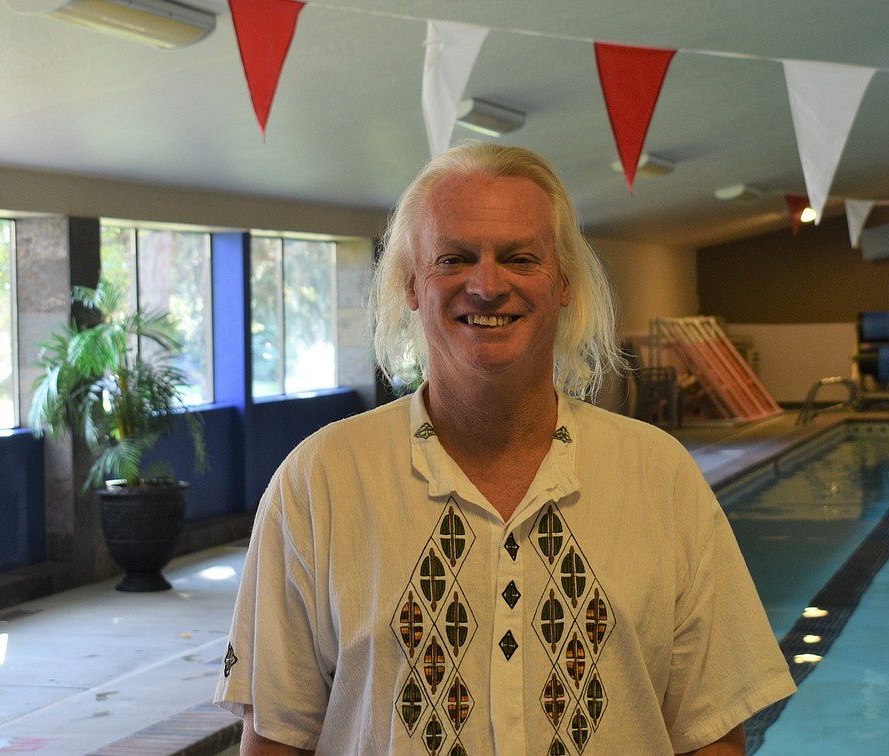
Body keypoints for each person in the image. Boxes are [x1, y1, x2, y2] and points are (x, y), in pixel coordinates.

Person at [214, 142, 796, 754]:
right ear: (412, 283)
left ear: (564, 282)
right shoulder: (320, 481)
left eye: (520, 258)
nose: (488, 286)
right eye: (455, 258)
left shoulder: (660, 478)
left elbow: (712, 735)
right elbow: (277, 736)